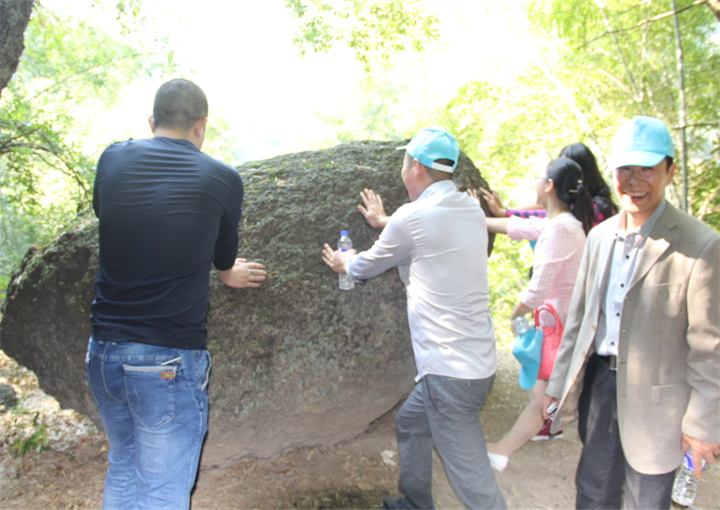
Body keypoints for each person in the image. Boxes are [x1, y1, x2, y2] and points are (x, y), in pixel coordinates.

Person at [86, 79, 267, 510]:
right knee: (163, 491)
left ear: (152, 121)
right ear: (201, 126)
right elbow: (224, 259)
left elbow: (105, 212)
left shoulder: (112, 158)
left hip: (103, 351)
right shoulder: (222, 178)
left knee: (124, 464)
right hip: (165, 357)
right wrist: (228, 273)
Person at [322, 128, 506, 510]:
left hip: (449, 373)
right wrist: (385, 221)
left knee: (475, 485)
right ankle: (415, 502)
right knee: (410, 422)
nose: (404, 172)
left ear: (417, 167)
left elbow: (365, 267)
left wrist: (345, 261)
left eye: (405, 165)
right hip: (476, 362)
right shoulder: (469, 209)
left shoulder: (412, 218)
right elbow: (428, 231)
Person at [544, 116, 720, 509]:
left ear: (670, 172)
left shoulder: (701, 245)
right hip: (601, 386)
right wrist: (557, 385)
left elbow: (710, 349)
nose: (635, 180)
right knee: (593, 490)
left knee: (648, 498)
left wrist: (704, 424)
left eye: (648, 169)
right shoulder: (599, 236)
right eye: (626, 168)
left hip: (662, 398)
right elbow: (579, 321)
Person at [471, 157, 594, 472]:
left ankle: (500, 452)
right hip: (563, 327)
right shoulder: (561, 224)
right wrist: (475, 216)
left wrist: (515, 316)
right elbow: (515, 226)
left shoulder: (561, 229)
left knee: (541, 399)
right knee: (544, 396)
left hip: (563, 331)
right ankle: (544, 431)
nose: (536, 183)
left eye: (540, 178)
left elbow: (537, 290)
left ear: (550, 186)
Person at [481, 142, 618, 232]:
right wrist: (505, 212)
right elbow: (542, 205)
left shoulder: (593, 209)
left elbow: (542, 219)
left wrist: (504, 213)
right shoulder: (575, 206)